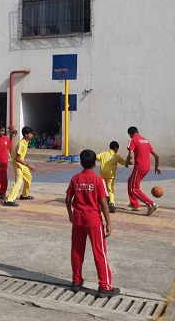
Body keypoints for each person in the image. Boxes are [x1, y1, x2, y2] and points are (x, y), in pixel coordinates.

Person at [66, 149, 119, 298]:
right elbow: (103, 203)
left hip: (78, 219)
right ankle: (105, 286)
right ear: (95, 163)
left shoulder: (75, 178)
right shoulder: (98, 180)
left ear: (81, 163)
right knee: (99, 252)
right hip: (93, 220)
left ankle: (76, 281)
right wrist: (108, 223)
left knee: (77, 251)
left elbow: (68, 199)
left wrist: (70, 214)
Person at [124, 126, 161, 216]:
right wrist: (157, 167)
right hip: (147, 167)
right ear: (138, 132)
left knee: (134, 188)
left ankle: (151, 204)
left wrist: (126, 162)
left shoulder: (133, 140)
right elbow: (156, 156)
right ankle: (134, 204)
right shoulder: (145, 140)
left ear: (130, 134)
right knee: (130, 181)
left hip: (139, 167)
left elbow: (130, 155)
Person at [3, 126, 37, 207]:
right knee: (19, 181)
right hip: (17, 163)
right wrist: (29, 165)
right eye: (30, 134)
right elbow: (18, 159)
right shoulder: (21, 144)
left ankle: (24, 195)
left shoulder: (26, 141)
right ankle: (9, 200)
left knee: (28, 177)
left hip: (22, 163)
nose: (31, 135)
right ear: (26, 135)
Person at [96, 141, 127, 213]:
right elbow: (125, 162)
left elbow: (96, 157)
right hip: (110, 175)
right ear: (116, 148)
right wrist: (131, 163)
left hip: (102, 174)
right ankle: (112, 203)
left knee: (103, 188)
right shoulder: (116, 156)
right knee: (110, 189)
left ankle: (100, 203)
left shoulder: (103, 153)